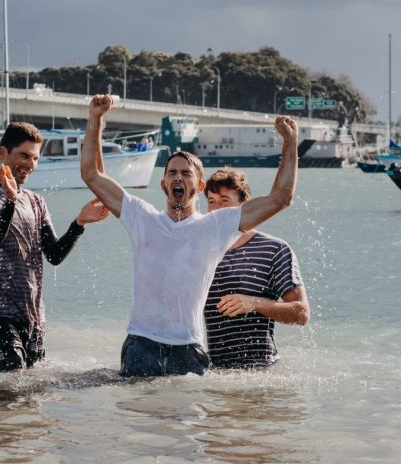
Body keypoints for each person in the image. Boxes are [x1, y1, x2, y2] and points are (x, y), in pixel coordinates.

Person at [80, 94, 299, 377]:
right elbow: (91, 174)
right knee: (137, 420)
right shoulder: (141, 216)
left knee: (188, 420)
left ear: (199, 185)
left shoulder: (217, 225)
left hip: (188, 349)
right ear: (163, 183)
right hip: (139, 344)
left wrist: (290, 143)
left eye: (186, 173)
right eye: (172, 173)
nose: (178, 178)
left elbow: (281, 198)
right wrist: (96, 119)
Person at [0, 121, 110, 371]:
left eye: (36, 158)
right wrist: (10, 201)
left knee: (30, 396)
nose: (30, 164)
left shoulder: (36, 202)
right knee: (10, 383)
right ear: (3, 153)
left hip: (34, 317)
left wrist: (79, 222)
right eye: (24, 155)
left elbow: (54, 255)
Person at [203, 168, 310, 369]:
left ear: (245, 205)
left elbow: (302, 313)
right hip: (215, 371)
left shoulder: (274, 249)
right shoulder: (201, 250)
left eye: (224, 200)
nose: (216, 209)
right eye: (211, 201)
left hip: (261, 370)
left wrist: (255, 303)